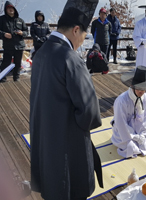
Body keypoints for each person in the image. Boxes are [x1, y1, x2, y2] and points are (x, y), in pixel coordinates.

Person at [30, 0, 103, 199]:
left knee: (51, 183)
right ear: (76, 30)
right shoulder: (70, 58)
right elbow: (89, 111)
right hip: (67, 140)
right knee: (70, 186)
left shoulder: (40, 53)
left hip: (44, 132)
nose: (81, 42)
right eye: (83, 37)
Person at [111, 66, 146, 158]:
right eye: (139, 88)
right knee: (131, 149)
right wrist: (133, 136)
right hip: (123, 131)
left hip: (139, 129)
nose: (141, 92)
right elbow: (121, 122)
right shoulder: (121, 100)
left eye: (143, 89)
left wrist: (142, 135)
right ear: (132, 86)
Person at [0, 1, 28, 82]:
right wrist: (4, 34)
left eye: (11, 8)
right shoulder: (2, 19)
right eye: (8, 8)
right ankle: (3, 79)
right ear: (6, 10)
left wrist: (22, 33)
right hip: (8, 46)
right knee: (6, 63)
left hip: (19, 45)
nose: (10, 9)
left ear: (14, 9)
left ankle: (16, 78)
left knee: (18, 63)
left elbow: (26, 32)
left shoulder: (20, 20)